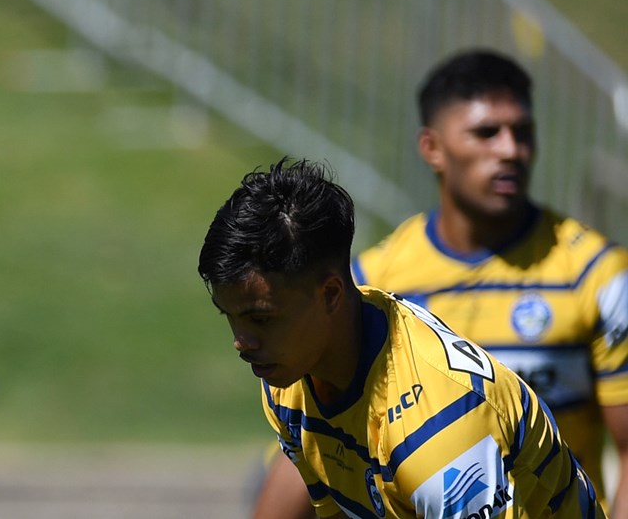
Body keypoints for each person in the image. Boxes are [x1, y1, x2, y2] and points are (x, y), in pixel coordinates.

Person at [252, 49, 628, 518]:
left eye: (523, 132)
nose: (510, 150)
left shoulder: (598, 275)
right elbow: (316, 442)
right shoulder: (370, 281)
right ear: (432, 148)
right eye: (487, 133)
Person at [200, 158, 604, 517]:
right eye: (229, 316)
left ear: (331, 295)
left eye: (260, 318)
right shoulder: (285, 377)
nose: (242, 342)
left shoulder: (443, 434)